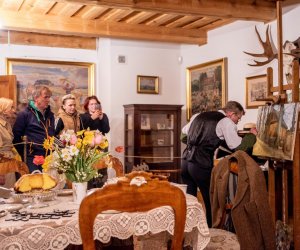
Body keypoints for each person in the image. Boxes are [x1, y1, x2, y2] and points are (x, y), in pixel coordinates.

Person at [181, 101, 257, 227]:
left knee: (190, 201)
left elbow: (183, 136)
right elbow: (238, 147)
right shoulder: (225, 122)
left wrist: (206, 142)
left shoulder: (198, 116)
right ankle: (211, 232)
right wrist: (252, 136)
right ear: (231, 114)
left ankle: (189, 229)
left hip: (185, 162)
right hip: (200, 164)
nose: (237, 122)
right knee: (211, 200)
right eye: (238, 118)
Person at [13, 86, 55, 173]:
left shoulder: (50, 115)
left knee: (51, 184)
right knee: (35, 184)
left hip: (49, 157)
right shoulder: (24, 114)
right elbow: (16, 138)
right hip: (33, 159)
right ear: (36, 98)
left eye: (49, 97)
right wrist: (27, 153)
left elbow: (52, 134)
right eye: (45, 97)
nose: (48, 100)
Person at [0, 98, 18, 188]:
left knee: (10, 192)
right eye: (11, 107)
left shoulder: (7, 124)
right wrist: (1, 173)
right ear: (3, 110)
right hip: (3, 163)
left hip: (9, 161)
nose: (14, 110)